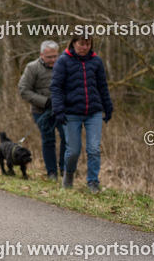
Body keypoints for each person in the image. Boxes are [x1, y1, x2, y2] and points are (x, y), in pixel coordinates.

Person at [49, 34, 113, 193]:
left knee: (94, 149)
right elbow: (56, 88)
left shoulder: (96, 61)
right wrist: (58, 110)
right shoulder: (63, 61)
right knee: (73, 150)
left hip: (94, 111)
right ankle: (69, 175)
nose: (85, 47)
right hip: (71, 113)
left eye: (88, 44)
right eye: (82, 44)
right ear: (74, 43)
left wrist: (108, 107)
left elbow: (102, 86)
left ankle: (93, 183)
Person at [18, 40, 66, 181]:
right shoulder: (32, 68)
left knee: (67, 137)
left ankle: (65, 169)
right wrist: (45, 102)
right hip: (41, 112)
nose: (53, 60)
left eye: (55, 56)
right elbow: (23, 90)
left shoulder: (64, 65)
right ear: (41, 55)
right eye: (49, 57)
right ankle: (52, 173)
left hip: (62, 110)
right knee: (48, 140)